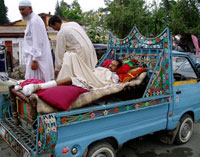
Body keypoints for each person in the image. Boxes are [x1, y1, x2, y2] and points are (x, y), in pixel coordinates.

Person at [22, 59, 122, 96]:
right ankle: (36, 86)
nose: (110, 66)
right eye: (111, 64)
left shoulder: (114, 76)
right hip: (88, 77)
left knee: (68, 78)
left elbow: (111, 85)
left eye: (113, 65)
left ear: (117, 68)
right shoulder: (102, 68)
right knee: (69, 61)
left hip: (93, 82)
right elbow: (92, 71)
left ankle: (37, 86)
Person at [19, 0, 54, 82]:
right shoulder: (31, 20)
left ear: (30, 8)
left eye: (23, 9)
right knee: (33, 83)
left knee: (36, 83)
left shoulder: (35, 21)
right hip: (34, 57)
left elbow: (37, 41)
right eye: (20, 10)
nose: (21, 12)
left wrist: (35, 59)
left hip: (37, 59)